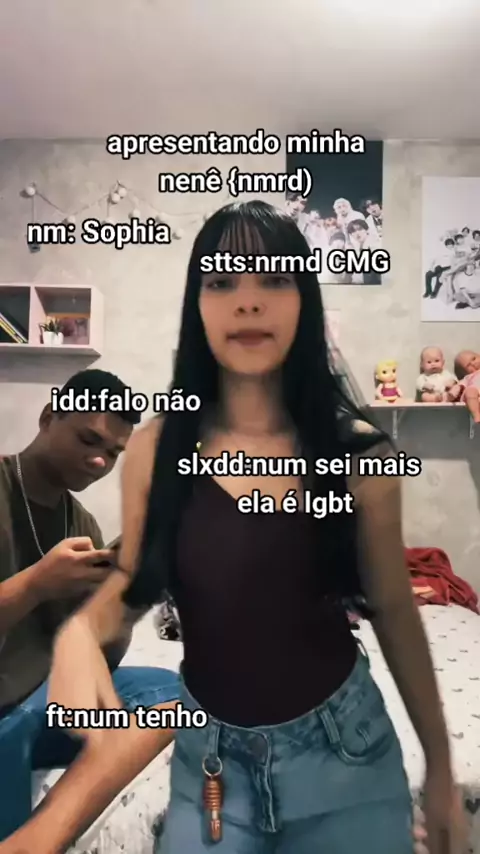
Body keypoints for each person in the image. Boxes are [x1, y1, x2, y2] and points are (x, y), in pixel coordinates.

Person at [1, 203, 464, 854]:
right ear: (199, 305)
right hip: (211, 757)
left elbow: (394, 609)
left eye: (273, 279)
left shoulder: (360, 452)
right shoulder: (156, 448)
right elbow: (133, 585)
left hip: (343, 749)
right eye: (222, 281)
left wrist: (440, 770)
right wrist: (82, 631)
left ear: (304, 301)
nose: (247, 301)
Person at [0, 368, 179, 842]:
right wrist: (36, 585)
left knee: (172, 694)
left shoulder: (81, 525)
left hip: (45, 703)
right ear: (47, 417)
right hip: (6, 711)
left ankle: (44, 829)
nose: (100, 461)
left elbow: (99, 661)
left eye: (114, 453)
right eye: (88, 439)